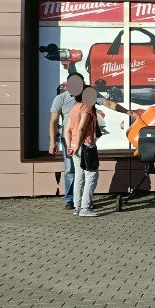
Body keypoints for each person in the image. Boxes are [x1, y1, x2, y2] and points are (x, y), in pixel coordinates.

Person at [48, 73, 134, 209]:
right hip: (73, 140)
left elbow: (108, 103)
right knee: (74, 170)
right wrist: (53, 142)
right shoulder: (61, 99)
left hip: (81, 139)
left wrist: (126, 111)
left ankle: (80, 203)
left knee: (82, 171)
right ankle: (73, 200)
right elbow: (54, 122)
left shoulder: (89, 94)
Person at [64, 85, 101, 217]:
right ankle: (85, 208)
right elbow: (81, 129)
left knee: (79, 176)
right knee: (92, 175)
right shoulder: (87, 108)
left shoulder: (74, 108)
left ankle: (77, 206)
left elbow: (67, 131)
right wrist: (79, 146)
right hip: (86, 145)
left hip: (74, 145)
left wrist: (70, 146)